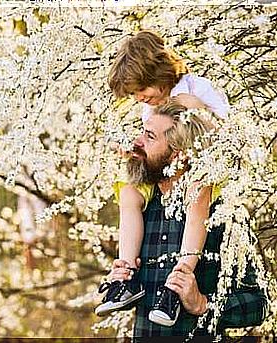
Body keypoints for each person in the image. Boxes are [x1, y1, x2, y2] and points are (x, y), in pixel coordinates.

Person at [95, 30, 230, 326]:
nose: (139, 98)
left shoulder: (194, 90)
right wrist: (134, 149)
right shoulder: (150, 107)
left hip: (200, 166)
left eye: (141, 89)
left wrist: (193, 116)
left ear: (160, 72)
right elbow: (154, 143)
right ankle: (126, 274)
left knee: (197, 194)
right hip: (168, 170)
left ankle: (179, 278)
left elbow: (224, 130)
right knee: (129, 191)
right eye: (133, 94)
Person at [103, 100, 268, 339]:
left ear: (176, 155)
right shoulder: (140, 210)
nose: (137, 142)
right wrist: (123, 276)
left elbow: (259, 303)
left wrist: (203, 305)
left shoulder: (221, 214)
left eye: (150, 137)